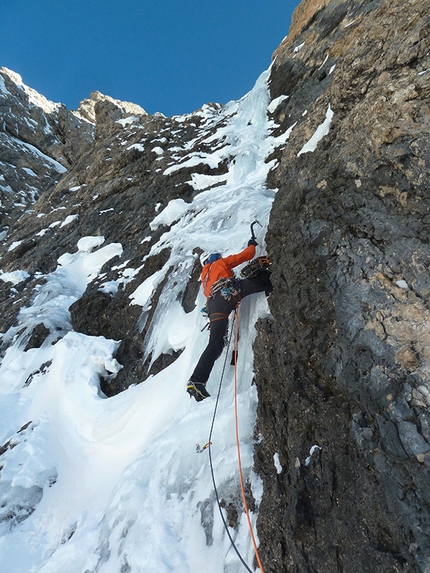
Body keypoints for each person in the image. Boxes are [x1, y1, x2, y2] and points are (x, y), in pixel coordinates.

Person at [187, 237, 272, 402]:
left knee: (215, 345)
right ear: (216, 258)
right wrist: (252, 244)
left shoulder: (205, 279)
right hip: (227, 294)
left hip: (214, 308)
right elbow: (246, 255)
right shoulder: (220, 264)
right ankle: (268, 285)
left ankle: (197, 380)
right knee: (264, 280)